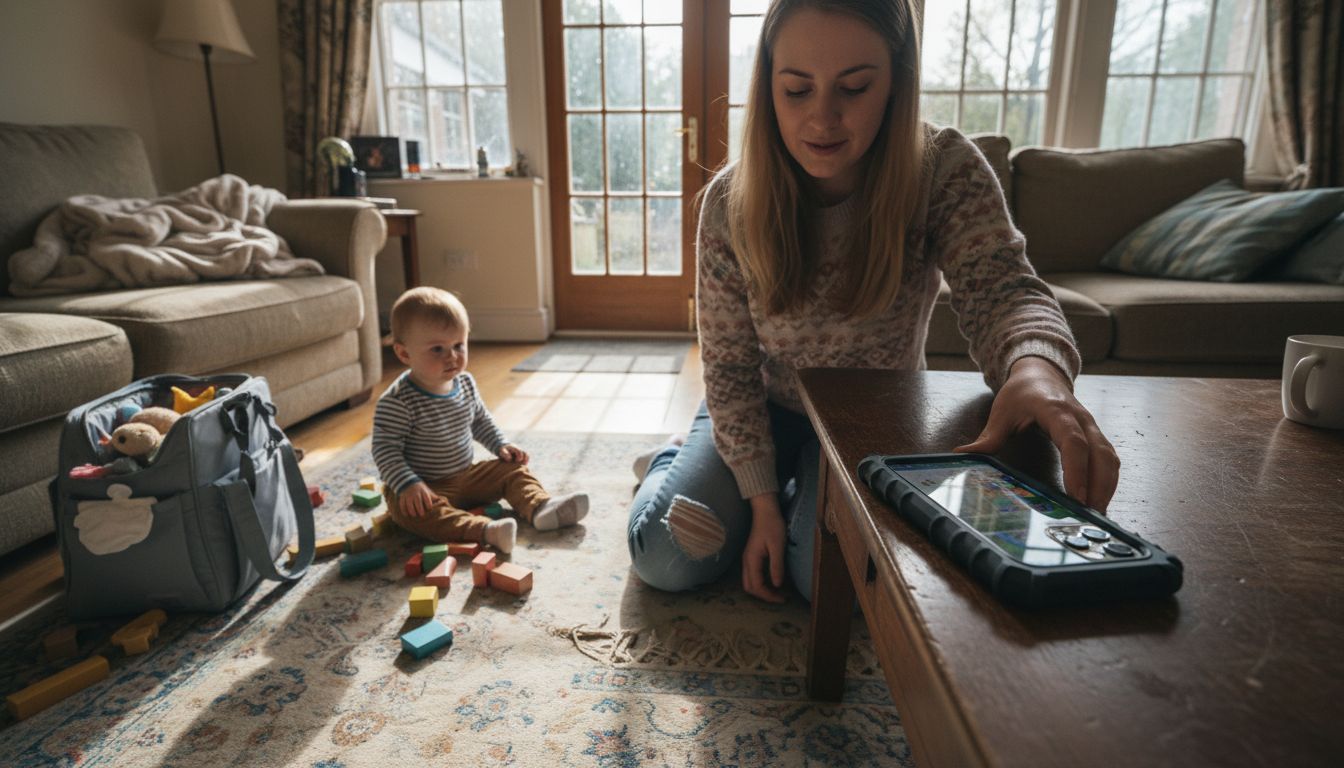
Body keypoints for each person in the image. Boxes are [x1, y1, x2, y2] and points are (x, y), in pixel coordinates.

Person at [627, 0, 1120, 603]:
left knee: (825, 580)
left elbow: (1003, 290)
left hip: (871, 417)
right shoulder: (729, 202)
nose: (822, 118)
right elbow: (729, 368)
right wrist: (760, 504)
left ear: (896, 81)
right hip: (760, 406)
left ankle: (784, 490)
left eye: (855, 87)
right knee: (669, 555)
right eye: (796, 90)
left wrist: (1036, 367)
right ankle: (673, 460)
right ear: (768, 85)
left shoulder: (943, 169)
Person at [373, 286, 589, 553]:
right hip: (424, 486)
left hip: (467, 476)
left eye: (458, 345)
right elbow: (385, 451)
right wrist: (408, 484)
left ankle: (541, 507)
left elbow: (479, 421)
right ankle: (484, 530)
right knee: (409, 511)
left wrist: (500, 444)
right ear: (404, 354)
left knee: (512, 470)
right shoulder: (397, 401)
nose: (452, 356)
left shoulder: (464, 382)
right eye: (437, 349)